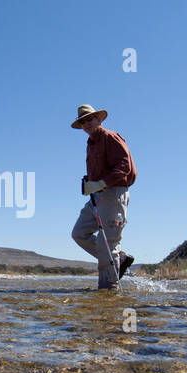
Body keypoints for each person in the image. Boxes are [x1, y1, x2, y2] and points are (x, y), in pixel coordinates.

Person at [70, 104, 136, 289]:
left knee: (108, 242)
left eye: (90, 119)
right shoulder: (90, 144)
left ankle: (108, 292)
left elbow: (124, 168)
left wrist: (99, 183)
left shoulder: (111, 137)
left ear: (99, 120)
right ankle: (119, 259)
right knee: (79, 233)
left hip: (114, 195)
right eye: (83, 121)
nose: (87, 123)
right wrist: (90, 182)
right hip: (97, 198)